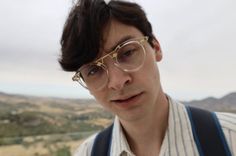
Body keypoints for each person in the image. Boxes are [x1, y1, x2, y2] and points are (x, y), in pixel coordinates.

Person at [59, 0, 236, 155]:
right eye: (93, 71)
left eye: (127, 52)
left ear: (156, 47)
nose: (117, 82)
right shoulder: (87, 153)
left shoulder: (230, 139)